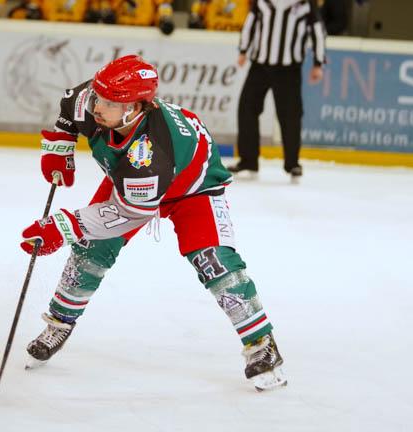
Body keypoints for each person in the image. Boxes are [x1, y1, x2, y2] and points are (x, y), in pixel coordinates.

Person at [19, 55, 286, 391]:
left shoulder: (152, 153)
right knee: (90, 249)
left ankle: (262, 343)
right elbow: (69, 108)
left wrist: (64, 225)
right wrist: (60, 148)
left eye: (110, 103)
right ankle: (59, 323)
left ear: (135, 108)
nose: (97, 107)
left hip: (193, 190)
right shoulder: (92, 100)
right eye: (99, 97)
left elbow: (130, 212)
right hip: (129, 183)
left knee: (214, 261)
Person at [231, 0, 327, 182]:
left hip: (289, 69)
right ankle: (248, 160)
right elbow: (250, 23)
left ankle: (293, 163)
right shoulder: (262, 1)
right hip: (260, 65)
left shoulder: (306, 4)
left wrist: (318, 62)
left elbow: (317, 31)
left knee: (290, 116)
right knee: (247, 108)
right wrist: (243, 50)